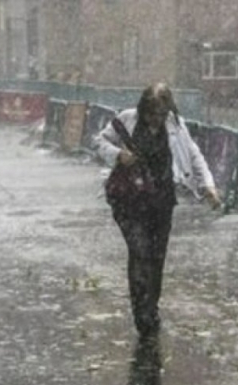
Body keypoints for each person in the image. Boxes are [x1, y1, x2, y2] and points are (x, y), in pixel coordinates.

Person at [93, 83, 222, 338]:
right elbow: (99, 141)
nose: (155, 120)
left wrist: (208, 185)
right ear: (143, 109)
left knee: (156, 257)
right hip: (128, 202)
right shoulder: (127, 120)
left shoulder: (175, 126)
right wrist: (119, 155)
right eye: (151, 114)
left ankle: (151, 306)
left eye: (160, 114)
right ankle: (141, 312)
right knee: (140, 251)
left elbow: (193, 154)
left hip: (161, 201)